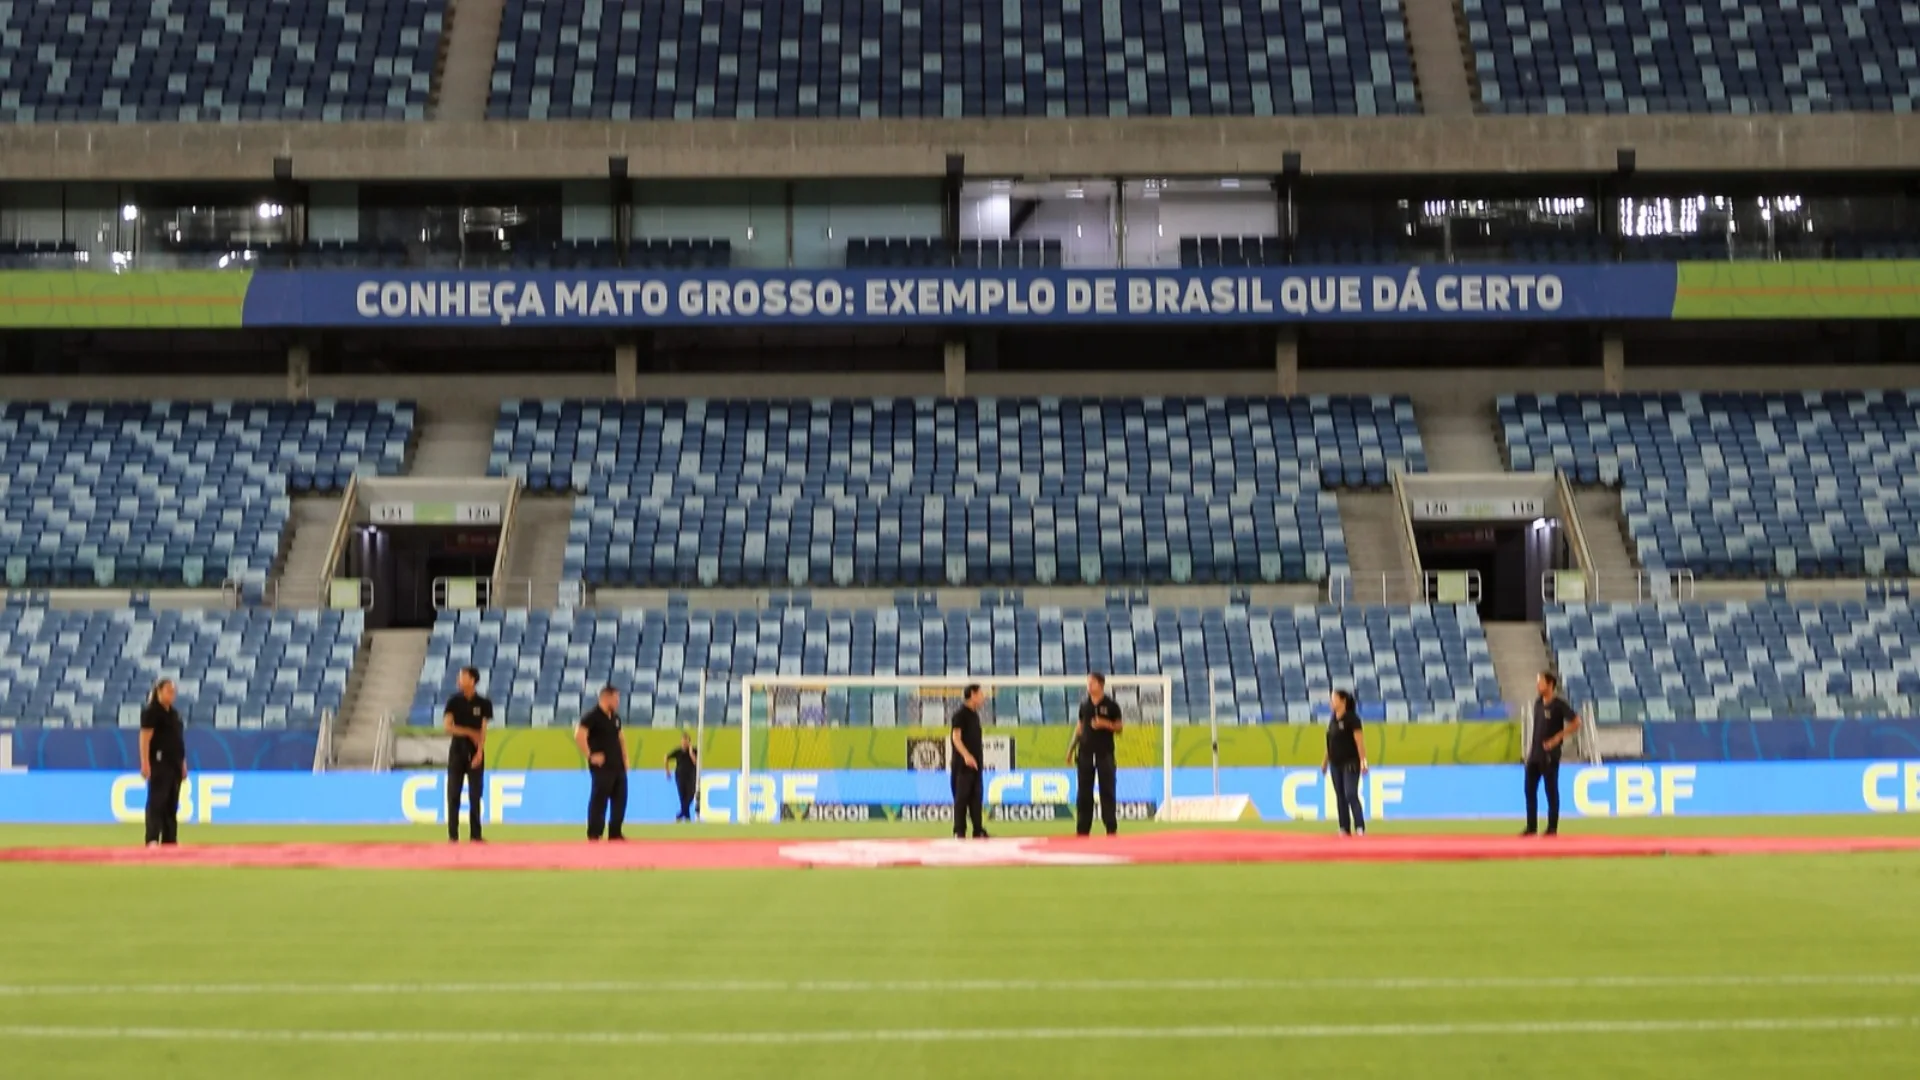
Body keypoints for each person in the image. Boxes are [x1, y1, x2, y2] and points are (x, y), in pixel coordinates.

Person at [1523, 671, 1581, 837]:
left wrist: (1557, 738)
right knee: (1529, 789)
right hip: (1535, 753)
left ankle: (1552, 828)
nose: (1538, 685)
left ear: (1550, 685)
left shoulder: (1558, 705)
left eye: (1540, 682)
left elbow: (1576, 722)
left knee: (1551, 790)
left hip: (1550, 755)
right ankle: (1531, 827)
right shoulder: (1538, 703)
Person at [443, 666, 492, 843]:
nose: (459, 679)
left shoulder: (484, 703)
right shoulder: (453, 701)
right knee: (453, 793)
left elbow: (483, 730)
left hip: (475, 750)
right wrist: (469, 732)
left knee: (475, 794)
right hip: (457, 749)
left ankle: (476, 835)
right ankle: (453, 835)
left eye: (462, 676)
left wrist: (480, 752)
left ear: (472, 680)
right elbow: (448, 726)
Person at [1072, 673, 1123, 837]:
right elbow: (1079, 728)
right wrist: (1071, 749)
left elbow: (1119, 727)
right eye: (1088, 682)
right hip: (1085, 754)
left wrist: (1105, 724)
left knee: (1107, 791)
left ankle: (1110, 828)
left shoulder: (1111, 705)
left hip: (1104, 754)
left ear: (1100, 684)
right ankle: (1082, 829)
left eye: (1092, 682)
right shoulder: (1084, 705)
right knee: (1083, 793)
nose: (1089, 685)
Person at [576, 684, 628, 841]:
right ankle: (594, 833)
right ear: (606, 697)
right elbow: (579, 735)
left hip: (617, 764)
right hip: (602, 766)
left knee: (620, 799)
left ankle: (615, 832)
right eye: (616, 698)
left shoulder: (615, 717)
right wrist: (590, 755)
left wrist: (625, 758)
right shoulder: (592, 717)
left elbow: (621, 738)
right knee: (600, 799)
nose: (618, 701)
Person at [139, 678, 187, 847]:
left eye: (173, 691)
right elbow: (145, 739)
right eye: (168, 691)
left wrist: (182, 763)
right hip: (159, 762)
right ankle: (152, 838)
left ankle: (170, 839)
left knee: (171, 804)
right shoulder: (152, 712)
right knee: (157, 801)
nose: (171, 694)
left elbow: (178, 740)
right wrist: (145, 763)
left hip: (174, 763)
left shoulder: (174, 714)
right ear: (159, 691)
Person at [1320, 689, 1367, 836]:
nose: (1331, 702)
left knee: (1350, 793)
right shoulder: (1333, 719)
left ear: (1343, 701)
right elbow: (1330, 743)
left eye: (1333, 699)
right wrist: (1325, 761)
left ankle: (1359, 826)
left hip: (1350, 762)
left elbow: (1359, 742)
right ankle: (1344, 827)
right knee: (1340, 795)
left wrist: (1363, 761)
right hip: (1335, 763)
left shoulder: (1352, 719)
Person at [948, 684, 989, 840]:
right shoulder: (960, 715)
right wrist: (966, 756)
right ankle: (959, 831)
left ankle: (978, 829)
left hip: (976, 765)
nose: (983, 697)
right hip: (963, 765)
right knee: (962, 797)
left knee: (976, 797)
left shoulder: (975, 715)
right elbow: (956, 738)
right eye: (981, 694)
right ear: (972, 694)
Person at [664, 732, 699, 822]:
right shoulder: (678, 751)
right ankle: (687, 817)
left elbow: (696, 762)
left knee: (691, 795)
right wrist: (667, 770)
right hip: (680, 776)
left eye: (686, 741)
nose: (684, 743)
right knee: (682, 797)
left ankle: (681, 814)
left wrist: (691, 752)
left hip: (691, 776)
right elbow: (666, 757)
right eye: (683, 741)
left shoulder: (694, 750)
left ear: (689, 742)